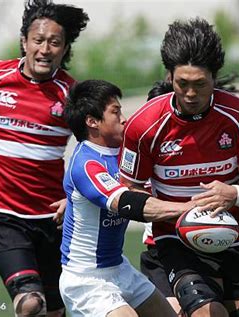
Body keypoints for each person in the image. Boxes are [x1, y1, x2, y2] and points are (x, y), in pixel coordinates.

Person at [120, 18, 239, 317]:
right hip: (175, 240)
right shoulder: (144, 125)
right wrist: (175, 213)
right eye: (182, 84)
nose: (190, 94)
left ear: (214, 78)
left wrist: (234, 194)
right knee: (208, 313)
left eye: (200, 84)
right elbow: (131, 191)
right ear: (169, 76)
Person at [0, 0, 88, 315]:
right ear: (24, 42)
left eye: (54, 42)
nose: (45, 49)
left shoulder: (73, 96)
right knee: (30, 302)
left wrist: (72, 197)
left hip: (52, 217)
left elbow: (94, 153)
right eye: (38, 40)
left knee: (55, 311)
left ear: (64, 47)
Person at [60, 79, 196, 317]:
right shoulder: (86, 163)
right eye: (115, 112)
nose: (124, 118)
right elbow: (128, 204)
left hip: (120, 268)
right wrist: (192, 208)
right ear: (92, 122)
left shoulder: (126, 152)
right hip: (86, 279)